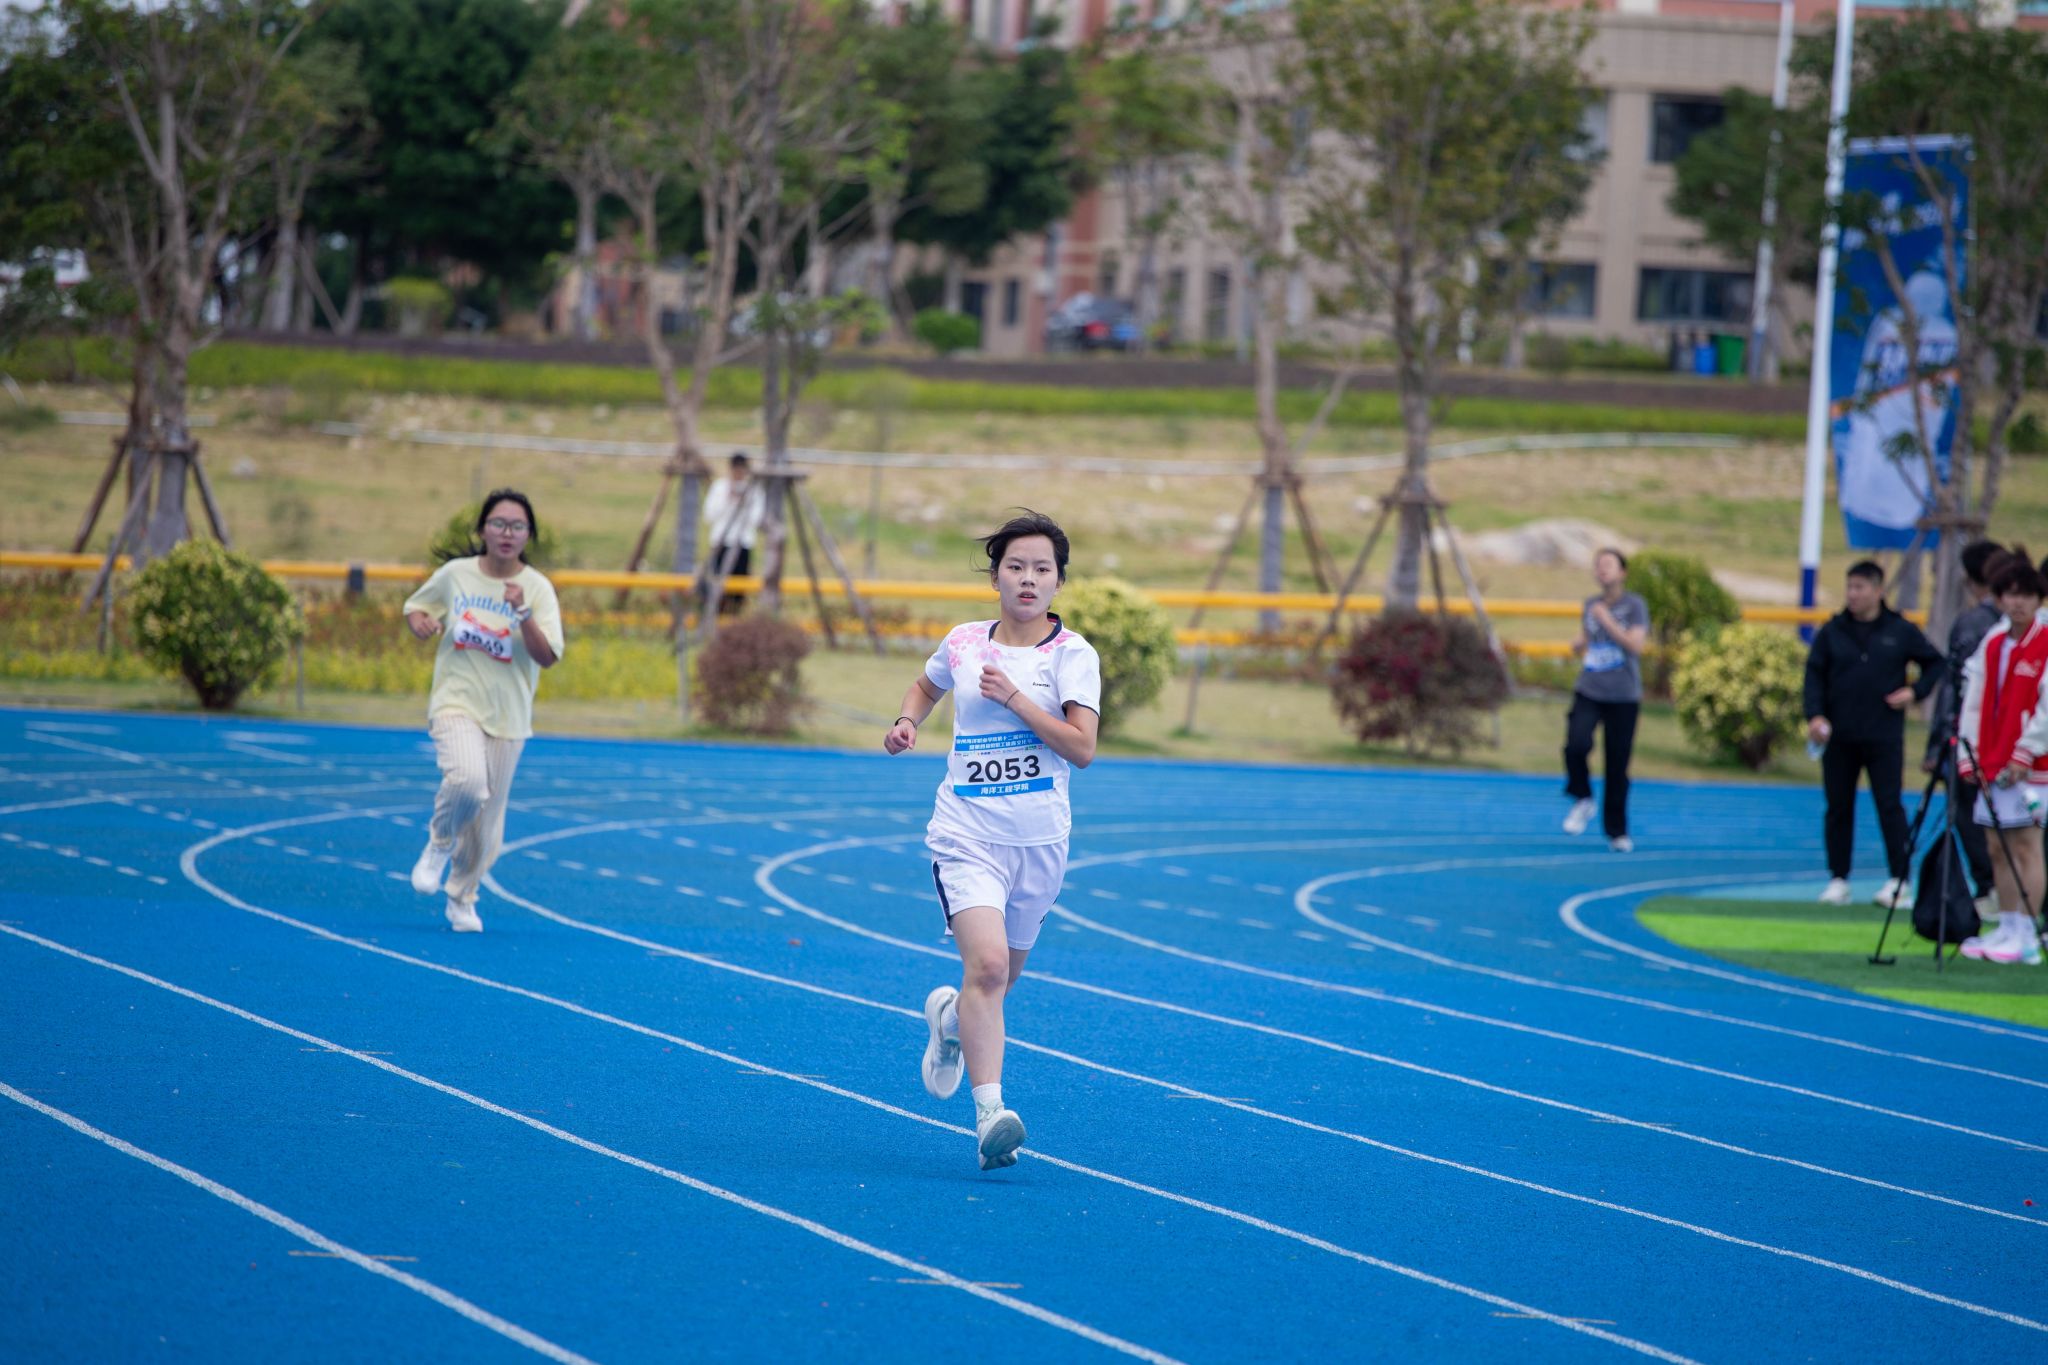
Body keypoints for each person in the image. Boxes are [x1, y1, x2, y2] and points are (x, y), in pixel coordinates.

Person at [883, 511, 1101, 1171]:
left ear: (1058, 581)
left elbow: (1081, 747)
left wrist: (1016, 700)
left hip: (1039, 845)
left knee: (996, 985)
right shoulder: (963, 642)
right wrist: (907, 720)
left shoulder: (1072, 655)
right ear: (996, 576)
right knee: (988, 968)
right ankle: (990, 1117)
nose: (1028, 579)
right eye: (1015, 566)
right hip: (966, 835)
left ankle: (950, 1022)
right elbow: (926, 685)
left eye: (1042, 569)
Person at [402, 490, 565, 933]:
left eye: (517, 526)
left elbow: (548, 656)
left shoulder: (537, 589)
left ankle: (462, 896)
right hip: (456, 701)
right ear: (482, 530)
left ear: (528, 535)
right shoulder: (457, 574)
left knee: (486, 826)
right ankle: (438, 842)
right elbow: (417, 607)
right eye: (498, 523)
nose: (507, 533)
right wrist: (420, 623)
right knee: (468, 782)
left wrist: (523, 613)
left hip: (509, 716)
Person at [1803, 559, 1945, 908]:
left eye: (1860, 587)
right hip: (1839, 735)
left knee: (1889, 806)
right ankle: (1838, 879)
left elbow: (1936, 662)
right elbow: (1814, 676)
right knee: (1838, 807)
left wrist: (1915, 691)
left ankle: (1899, 880)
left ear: (1878, 590)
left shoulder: (1900, 629)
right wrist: (1815, 715)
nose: (1852, 594)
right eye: (1849, 587)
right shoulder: (1833, 630)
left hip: (1883, 736)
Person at [1954, 549, 2048, 966]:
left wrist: (2026, 751)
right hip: (1992, 763)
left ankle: (2027, 933)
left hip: (2032, 769)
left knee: (2026, 846)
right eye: (2010, 594)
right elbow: (1973, 701)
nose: (2018, 602)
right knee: (1996, 847)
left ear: (2039, 599)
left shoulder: (2044, 640)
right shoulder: (1993, 642)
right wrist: (1968, 753)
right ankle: (2007, 925)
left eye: (2026, 595)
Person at [1922, 539, 2010, 906]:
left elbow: (1954, 688)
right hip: (2005, 740)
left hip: (1984, 741)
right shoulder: (2004, 627)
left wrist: (1940, 742)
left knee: (1974, 814)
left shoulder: (1976, 624)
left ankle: (1992, 888)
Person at [1562, 547, 1650, 852]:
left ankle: (1617, 831)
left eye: (1608, 565)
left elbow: (1635, 645)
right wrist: (1577, 644)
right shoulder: (1591, 604)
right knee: (1575, 744)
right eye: (1598, 565)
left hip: (1623, 695)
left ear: (1622, 572)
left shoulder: (1634, 606)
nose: (1602, 570)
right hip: (1589, 688)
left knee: (1617, 764)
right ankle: (1582, 796)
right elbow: (1588, 638)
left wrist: (1607, 619)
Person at [700, 452, 765, 616]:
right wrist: (728, 499)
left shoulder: (753, 490)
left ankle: (735, 614)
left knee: (739, 586)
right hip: (720, 542)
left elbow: (757, 519)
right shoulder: (719, 487)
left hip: (744, 542)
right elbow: (709, 515)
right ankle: (716, 613)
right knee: (717, 582)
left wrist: (744, 503)